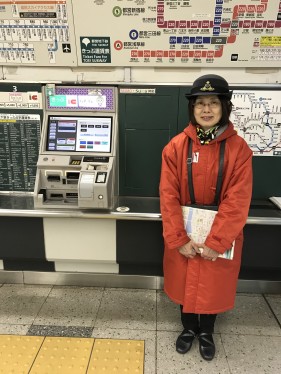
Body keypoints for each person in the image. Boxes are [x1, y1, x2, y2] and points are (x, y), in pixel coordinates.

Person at [159, 74, 253, 361]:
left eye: (214, 102)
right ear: (192, 108)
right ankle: (188, 329)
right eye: (200, 103)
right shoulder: (176, 147)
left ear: (225, 106)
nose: (207, 109)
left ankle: (207, 332)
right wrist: (178, 238)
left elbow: (238, 200)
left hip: (220, 232)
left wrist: (218, 241)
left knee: (212, 285)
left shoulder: (239, 149)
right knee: (186, 278)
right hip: (184, 230)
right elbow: (168, 195)